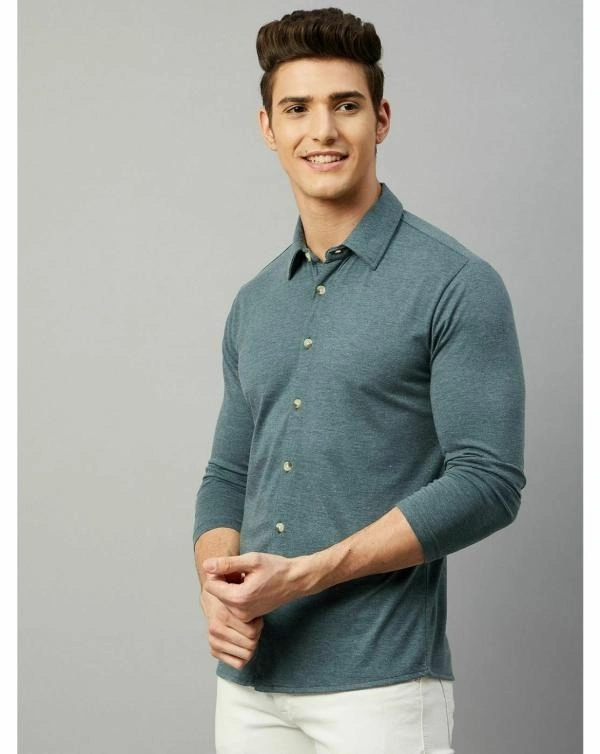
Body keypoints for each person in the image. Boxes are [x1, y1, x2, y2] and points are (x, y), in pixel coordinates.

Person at [193, 8, 526, 754]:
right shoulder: (254, 302)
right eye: (297, 109)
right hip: (248, 689)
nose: (323, 131)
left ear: (381, 119)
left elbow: (489, 482)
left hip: (382, 690)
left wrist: (306, 575)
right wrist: (215, 589)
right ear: (267, 127)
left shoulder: (456, 283)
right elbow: (227, 476)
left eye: (345, 105)